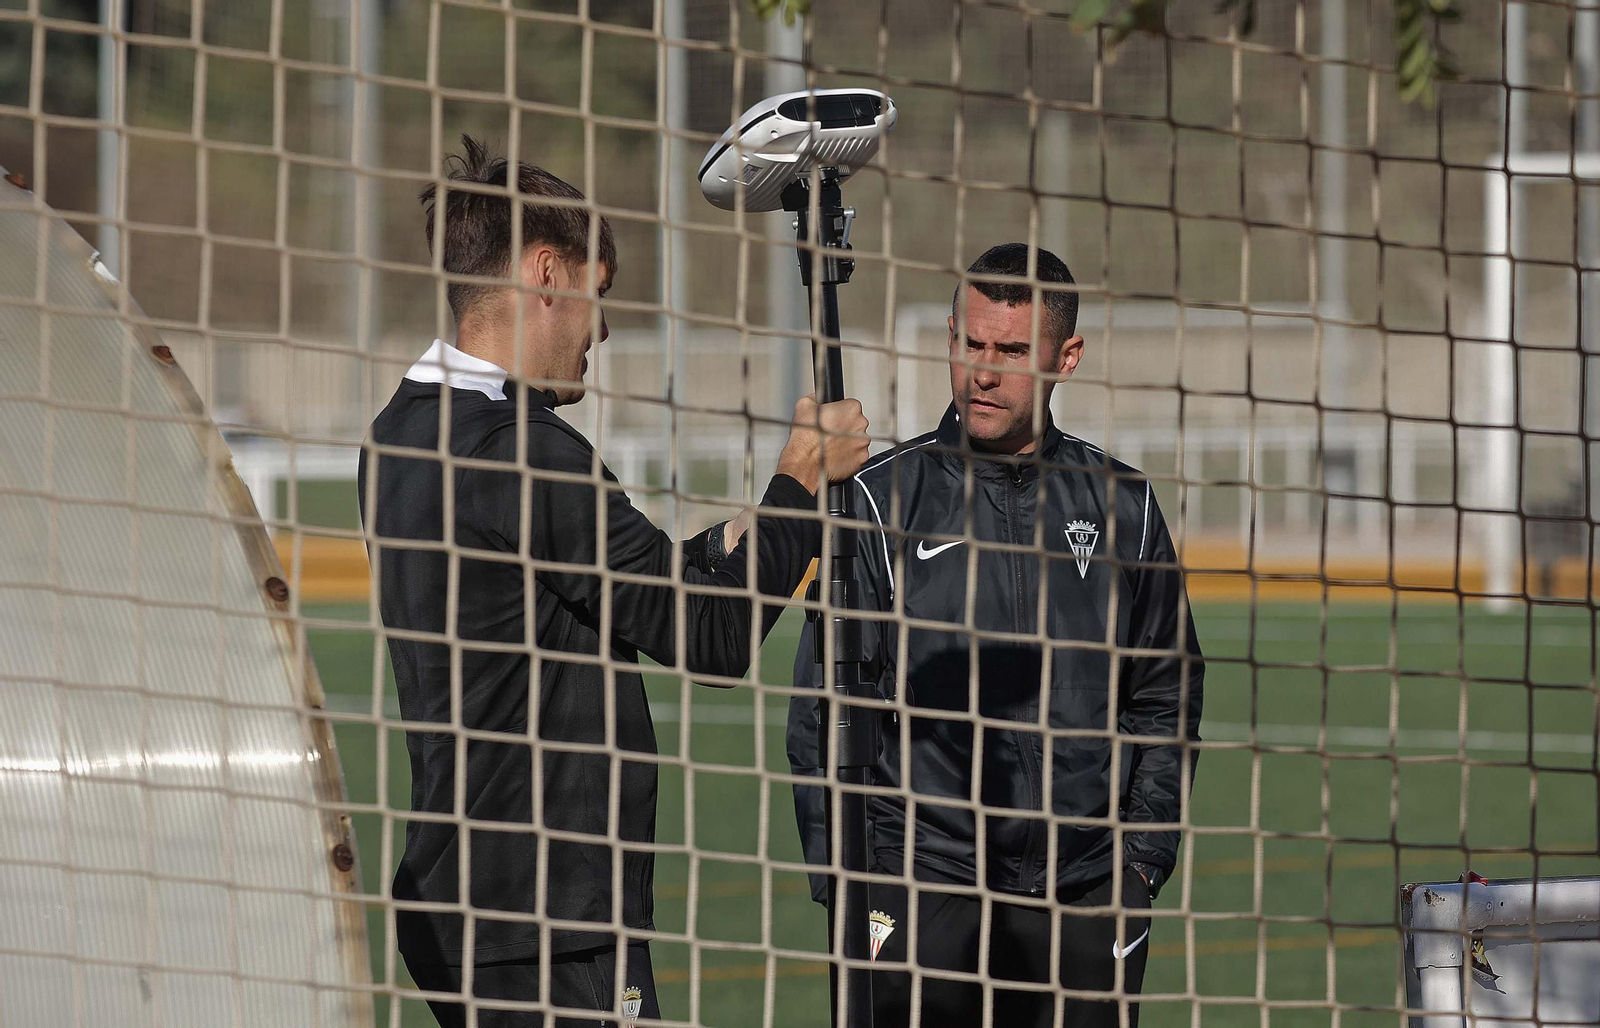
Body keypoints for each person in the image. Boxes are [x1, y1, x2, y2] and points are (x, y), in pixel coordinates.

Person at [359, 136, 870, 1027]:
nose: (603, 331)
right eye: (598, 298)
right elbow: (707, 636)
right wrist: (801, 483)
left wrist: (757, 520)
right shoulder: (527, 453)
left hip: (460, 898)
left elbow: (617, 582)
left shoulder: (398, 436)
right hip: (549, 916)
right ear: (546, 272)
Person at [787, 243, 1204, 1027]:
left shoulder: (1125, 504)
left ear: (1066, 357)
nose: (984, 370)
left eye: (1012, 351)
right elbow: (824, 711)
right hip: (927, 891)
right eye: (969, 343)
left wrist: (1139, 865)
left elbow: (1166, 692)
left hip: (1086, 897)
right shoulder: (879, 504)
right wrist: (853, 888)